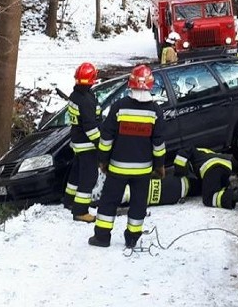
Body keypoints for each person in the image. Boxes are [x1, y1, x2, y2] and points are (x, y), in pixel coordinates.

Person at [90, 64, 167, 249]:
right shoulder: (155, 111)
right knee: (139, 203)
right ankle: (132, 238)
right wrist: (160, 166)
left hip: (118, 167)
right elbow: (158, 144)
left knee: (109, 201)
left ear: (130, 84)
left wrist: (103, 160)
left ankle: (102, 237)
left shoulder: (119, 107)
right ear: (150, 86)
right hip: (143, 170)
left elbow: (106, 137)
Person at [64, 62, 101, 222]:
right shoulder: (85, 100)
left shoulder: (76, 95)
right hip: (87, 144)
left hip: (77, 141)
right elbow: (90, 127)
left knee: (76, 172)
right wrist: (101, 144)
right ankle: (80, 211)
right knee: (89, 177)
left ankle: (69, 200)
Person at [172, 146, 238, 210]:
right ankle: (235, 192)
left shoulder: (190, 152)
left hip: (211, 167)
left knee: (209, 198)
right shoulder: (201, 152)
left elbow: (182, 154)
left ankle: (235, 195)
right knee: (215, 192)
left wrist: (180, 172)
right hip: (224, 166)